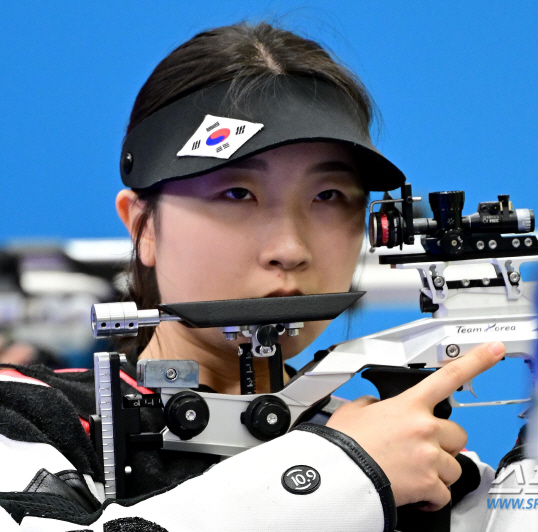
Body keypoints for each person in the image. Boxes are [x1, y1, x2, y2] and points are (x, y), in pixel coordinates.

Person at [0, 22, 507, 531]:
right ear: (143, 227)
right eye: (237, 194)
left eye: (329, 197)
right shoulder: (28, 415)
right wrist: (340, 473)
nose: (289, 250)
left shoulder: (416, 465)